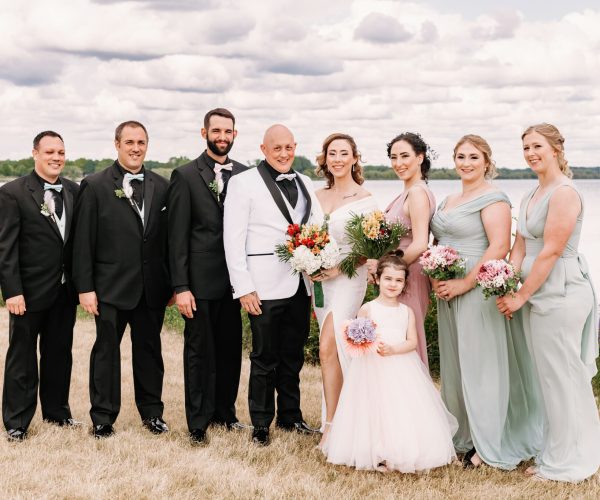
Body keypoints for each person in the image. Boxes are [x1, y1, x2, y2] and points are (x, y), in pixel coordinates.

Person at [431, 135, 542, 469]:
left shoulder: (494, 198)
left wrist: (465, 282)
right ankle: (461, 436)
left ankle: (487, 444)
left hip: (477, 287)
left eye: (474, 158)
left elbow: (497, 247)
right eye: (461, 156)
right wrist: (437, 272)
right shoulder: (449, 198)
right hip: (447, 288)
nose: (466, 163)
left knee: (482, 367)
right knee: (456, 366)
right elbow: (440, 238)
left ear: (486, 162)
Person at [497, 123, 600, 482]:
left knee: (563, 376)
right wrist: (504, 283)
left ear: (555, 148)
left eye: (537, 146)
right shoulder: (531, 194)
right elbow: (521, 248)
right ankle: (556, 449)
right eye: (525, 147)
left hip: (562, 292)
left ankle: (571, 459)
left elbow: (553, 250)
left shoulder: (565, 193)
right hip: (533, 292)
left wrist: (522, 295)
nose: (530, 153)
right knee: (548, 378)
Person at [72, 121, 172, 438]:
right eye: (129, 141)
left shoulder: (162, 185)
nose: (135, 148)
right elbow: (83, 241)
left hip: (151, 288)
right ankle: (103, 417)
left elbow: (168, 241)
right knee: (106, 354)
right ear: (117, 144)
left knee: (150, 353)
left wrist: (171, 284)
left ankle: (152, 413)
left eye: (141, 142)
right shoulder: (96, 184)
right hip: (109, 288)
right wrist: (85, 288)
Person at [223, 124, 320, 446]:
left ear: (295, 147)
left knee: (293, 355)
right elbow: (232, 239)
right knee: (264, 357)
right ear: (263, 150)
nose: (283, 154)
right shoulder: (242, 183)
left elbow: (317, 228)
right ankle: (261, 423)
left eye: (288, 147)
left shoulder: (306, 182)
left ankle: (291, 416)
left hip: (299, 284)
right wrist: (243, 287)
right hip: (262, 286)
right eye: (276, 148)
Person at [322, 252, 458, 472]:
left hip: (400, 367)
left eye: (398, 280)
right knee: (373, 408)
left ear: (405, 283)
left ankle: (396, 451)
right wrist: (366, 344)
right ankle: (374, 451)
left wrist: (394, 349)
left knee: (398, 409)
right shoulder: (367, 308)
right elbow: (357, 338)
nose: (393, 284)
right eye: (388, 279)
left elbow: (412, 342)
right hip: (371, 369)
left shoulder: (407, 312)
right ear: (377, 279)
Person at [167, 108, 248, 445]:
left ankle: (225, 414)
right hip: (198, 283)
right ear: (204, 134)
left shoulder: (245, 175)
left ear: (234, 134)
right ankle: (198, 422)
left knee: (230, 350)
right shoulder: (184, 175)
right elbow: (176, 237)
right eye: (216, 131)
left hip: (235, 283)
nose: (222, 137)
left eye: (227, 131)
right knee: (200, 353)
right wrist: (181, 286)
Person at [0, 131, 79, 441]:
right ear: (35, 153)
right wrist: (12, 291)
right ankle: (17, 421)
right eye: (49, 151)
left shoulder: (74, 191)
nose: (56, 157)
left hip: (64, 290)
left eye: (60, 151)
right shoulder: (13, 193)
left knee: (59, 353)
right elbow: (5, 248)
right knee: (22, 355)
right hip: (28, 292)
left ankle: (57, 412)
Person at [311, 133, 377, 447]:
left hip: (349, 279)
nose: (337, 158)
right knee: (334, 353)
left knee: (329, 345)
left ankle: (333, 425)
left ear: (354, 158)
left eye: (344, 153)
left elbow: (371, 246)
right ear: (325, 159)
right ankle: (345, 418)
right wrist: (308, 260)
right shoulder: (316, 196)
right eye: (332, 153)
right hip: (320, 283)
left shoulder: (366, 200)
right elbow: (306, 235)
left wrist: (339, 266)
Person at [368, 132, 436, 369]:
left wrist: (386, 270)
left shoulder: (417, 193)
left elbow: (419, 243)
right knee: (395, 342)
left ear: (420, 157)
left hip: (409, 276)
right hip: (400, 274)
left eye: (405, 156)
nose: (399, 163)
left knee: (409, 343)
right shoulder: (407, 191)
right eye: (394, 157)